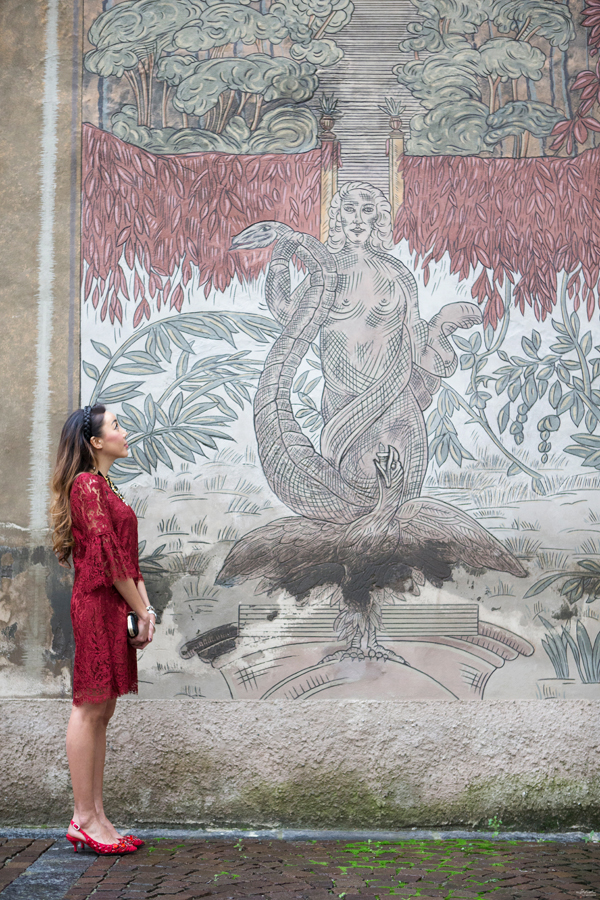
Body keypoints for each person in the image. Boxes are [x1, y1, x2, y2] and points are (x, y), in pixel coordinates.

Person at [50, 404, 156, 854]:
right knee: (89, 708)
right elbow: (108, 559)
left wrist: (145, 608)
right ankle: (84, 817)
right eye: (116, 426)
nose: (124, 431)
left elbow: (127, 557)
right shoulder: (86, 485)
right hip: (97, 603)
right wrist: (144, 611)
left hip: (115, 604)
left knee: (102, 712)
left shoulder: (103, 484)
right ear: (95, 442)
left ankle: (95, 814)